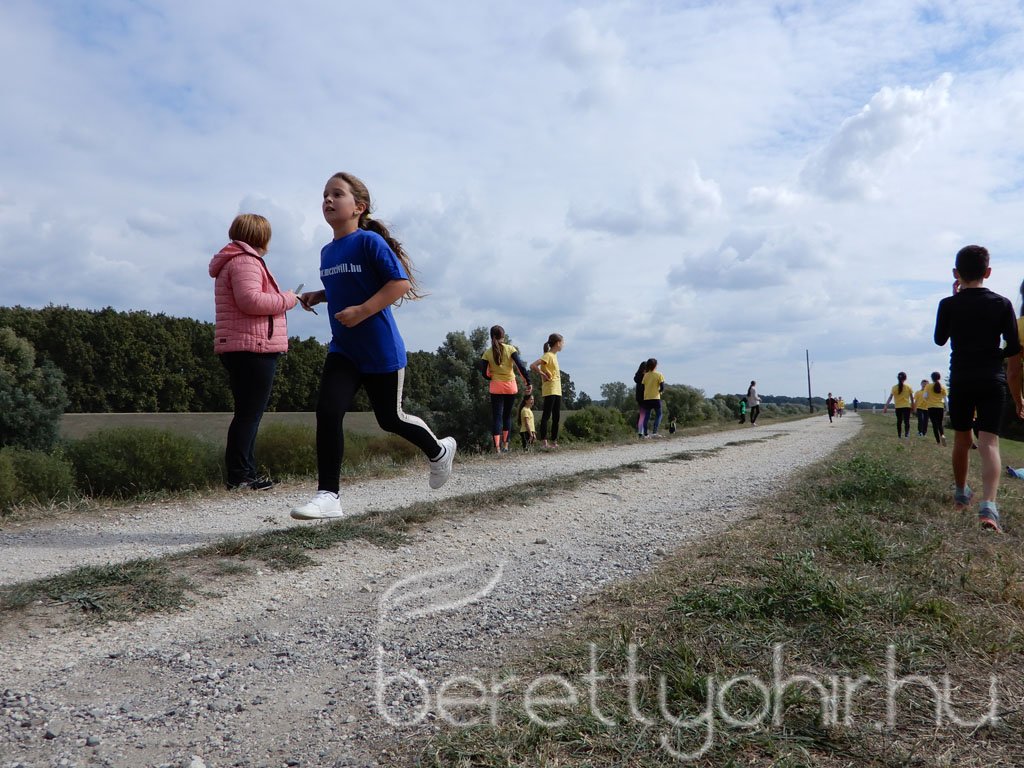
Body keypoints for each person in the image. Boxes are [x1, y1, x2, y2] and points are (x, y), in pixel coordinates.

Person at [291, 172, 456, 520]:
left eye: (337, 194)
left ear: (358, 207)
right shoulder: (327, 251)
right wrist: (317, 295)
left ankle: (439, 451)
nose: (328, 200)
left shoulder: (368, 242)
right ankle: (328, 496)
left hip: (380, 350)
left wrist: (364, 310)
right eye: (324, 195)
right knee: (328, 412)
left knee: (390, 418)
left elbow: (399, 283)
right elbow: (344, 286)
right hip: (344, 350)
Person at [934, 244, 1020, 533]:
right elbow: (1014, 345)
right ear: (988, 271)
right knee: (989, 443)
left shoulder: (948, 304)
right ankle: (988, 508)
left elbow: (939, 340)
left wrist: (956, 299)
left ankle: (961, 495)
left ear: (956, 273)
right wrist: (997, 356)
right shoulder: (1002, 303)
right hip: (992, 378)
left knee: (961, 439)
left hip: (961, 378)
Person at [209, 213, 298, 491]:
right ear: (261, 236)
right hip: (253, 347)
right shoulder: (246, 261)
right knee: (249, 414)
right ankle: (240, 477)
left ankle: (246, 473)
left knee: (247, 413)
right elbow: (251, 300)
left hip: (242, 346)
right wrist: (289, 298)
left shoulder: (235, 260)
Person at [477, 325, 532, 453]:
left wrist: (492, 376)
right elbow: (520, 367)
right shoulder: (510, 349)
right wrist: (528, 382)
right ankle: (506, 445)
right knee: (507, 416)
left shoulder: (487, 353)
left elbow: (484, 374)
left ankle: (497, 448)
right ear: (504, 336)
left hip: (496, 387)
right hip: (510, 387)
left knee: (497, 417)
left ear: (491, 337)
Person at [531, 333, 564, 449]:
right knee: (546, 416)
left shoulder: (554, 356)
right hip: (550, 389)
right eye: (563, 343)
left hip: (557, 390)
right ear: (558, 343)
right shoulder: (548, 355)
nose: (563, 345)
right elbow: (533, 365)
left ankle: (554, 442)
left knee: (556, 417)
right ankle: (544, 442)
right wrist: (542, 374)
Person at [882, 372, 913, 439]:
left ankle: (899, 436)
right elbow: (911, 398)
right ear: (905, 378)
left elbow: (890, 397)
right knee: (906, 421)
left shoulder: (894, 387)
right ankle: (907, 435)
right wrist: (913, 406)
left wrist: (886, 406)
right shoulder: (908, 387)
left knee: (899, 421)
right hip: (906, 406)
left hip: (898, 407)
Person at [641, 358, 666, 436]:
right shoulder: (659, 375)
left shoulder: (645, 375)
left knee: (647, 416)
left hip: (647, 398)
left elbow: (642, 387)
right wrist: (659, 392)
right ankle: (654, 432)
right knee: (659, 414)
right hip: (655, 398)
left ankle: (645, 434)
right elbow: (662, 387)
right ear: (655, 365)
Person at [925, 371, 948, 446]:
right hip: (940, 407)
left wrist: (928, 400)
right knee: (940, 424)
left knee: (934, 425)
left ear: (932, 378)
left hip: (931, 407)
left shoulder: (928, 386)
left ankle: (938, 441)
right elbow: (945, 399)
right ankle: (943, 436)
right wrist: (947, 409)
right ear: (939, 377)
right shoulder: (943, 387)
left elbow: (925, 396)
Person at [633, 360, 649, 437]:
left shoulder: (637, 376)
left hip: (639, 398)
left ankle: (640, 432)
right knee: (645, 415)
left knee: (642, 415)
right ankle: (644, 433)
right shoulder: (646, 376)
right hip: (645, 397)